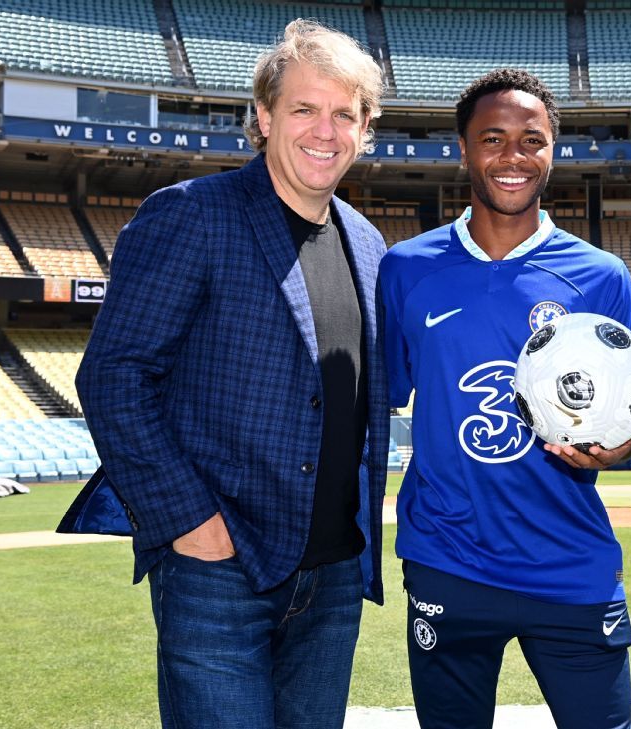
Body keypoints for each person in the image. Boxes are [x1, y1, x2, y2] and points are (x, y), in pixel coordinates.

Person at [70, 20, 389, 728]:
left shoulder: (369, 244)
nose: (324, 130)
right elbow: (113, 376)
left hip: (334, 572)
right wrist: (191, 524)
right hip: (220, 568)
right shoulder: (192, 215)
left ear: (364, 129)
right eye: (304, 108)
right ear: (266, 116)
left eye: (344, 114)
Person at [377, 69, 631, 729]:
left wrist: (612, 451)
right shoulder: (407, 268)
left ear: (553, 151)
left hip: (570, 564)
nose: (513, 156)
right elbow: (388, 391)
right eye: (493, 138)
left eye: (532, 140)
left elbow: (629, 426)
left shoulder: (602, 277)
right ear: (465, 150)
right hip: (448, 561)